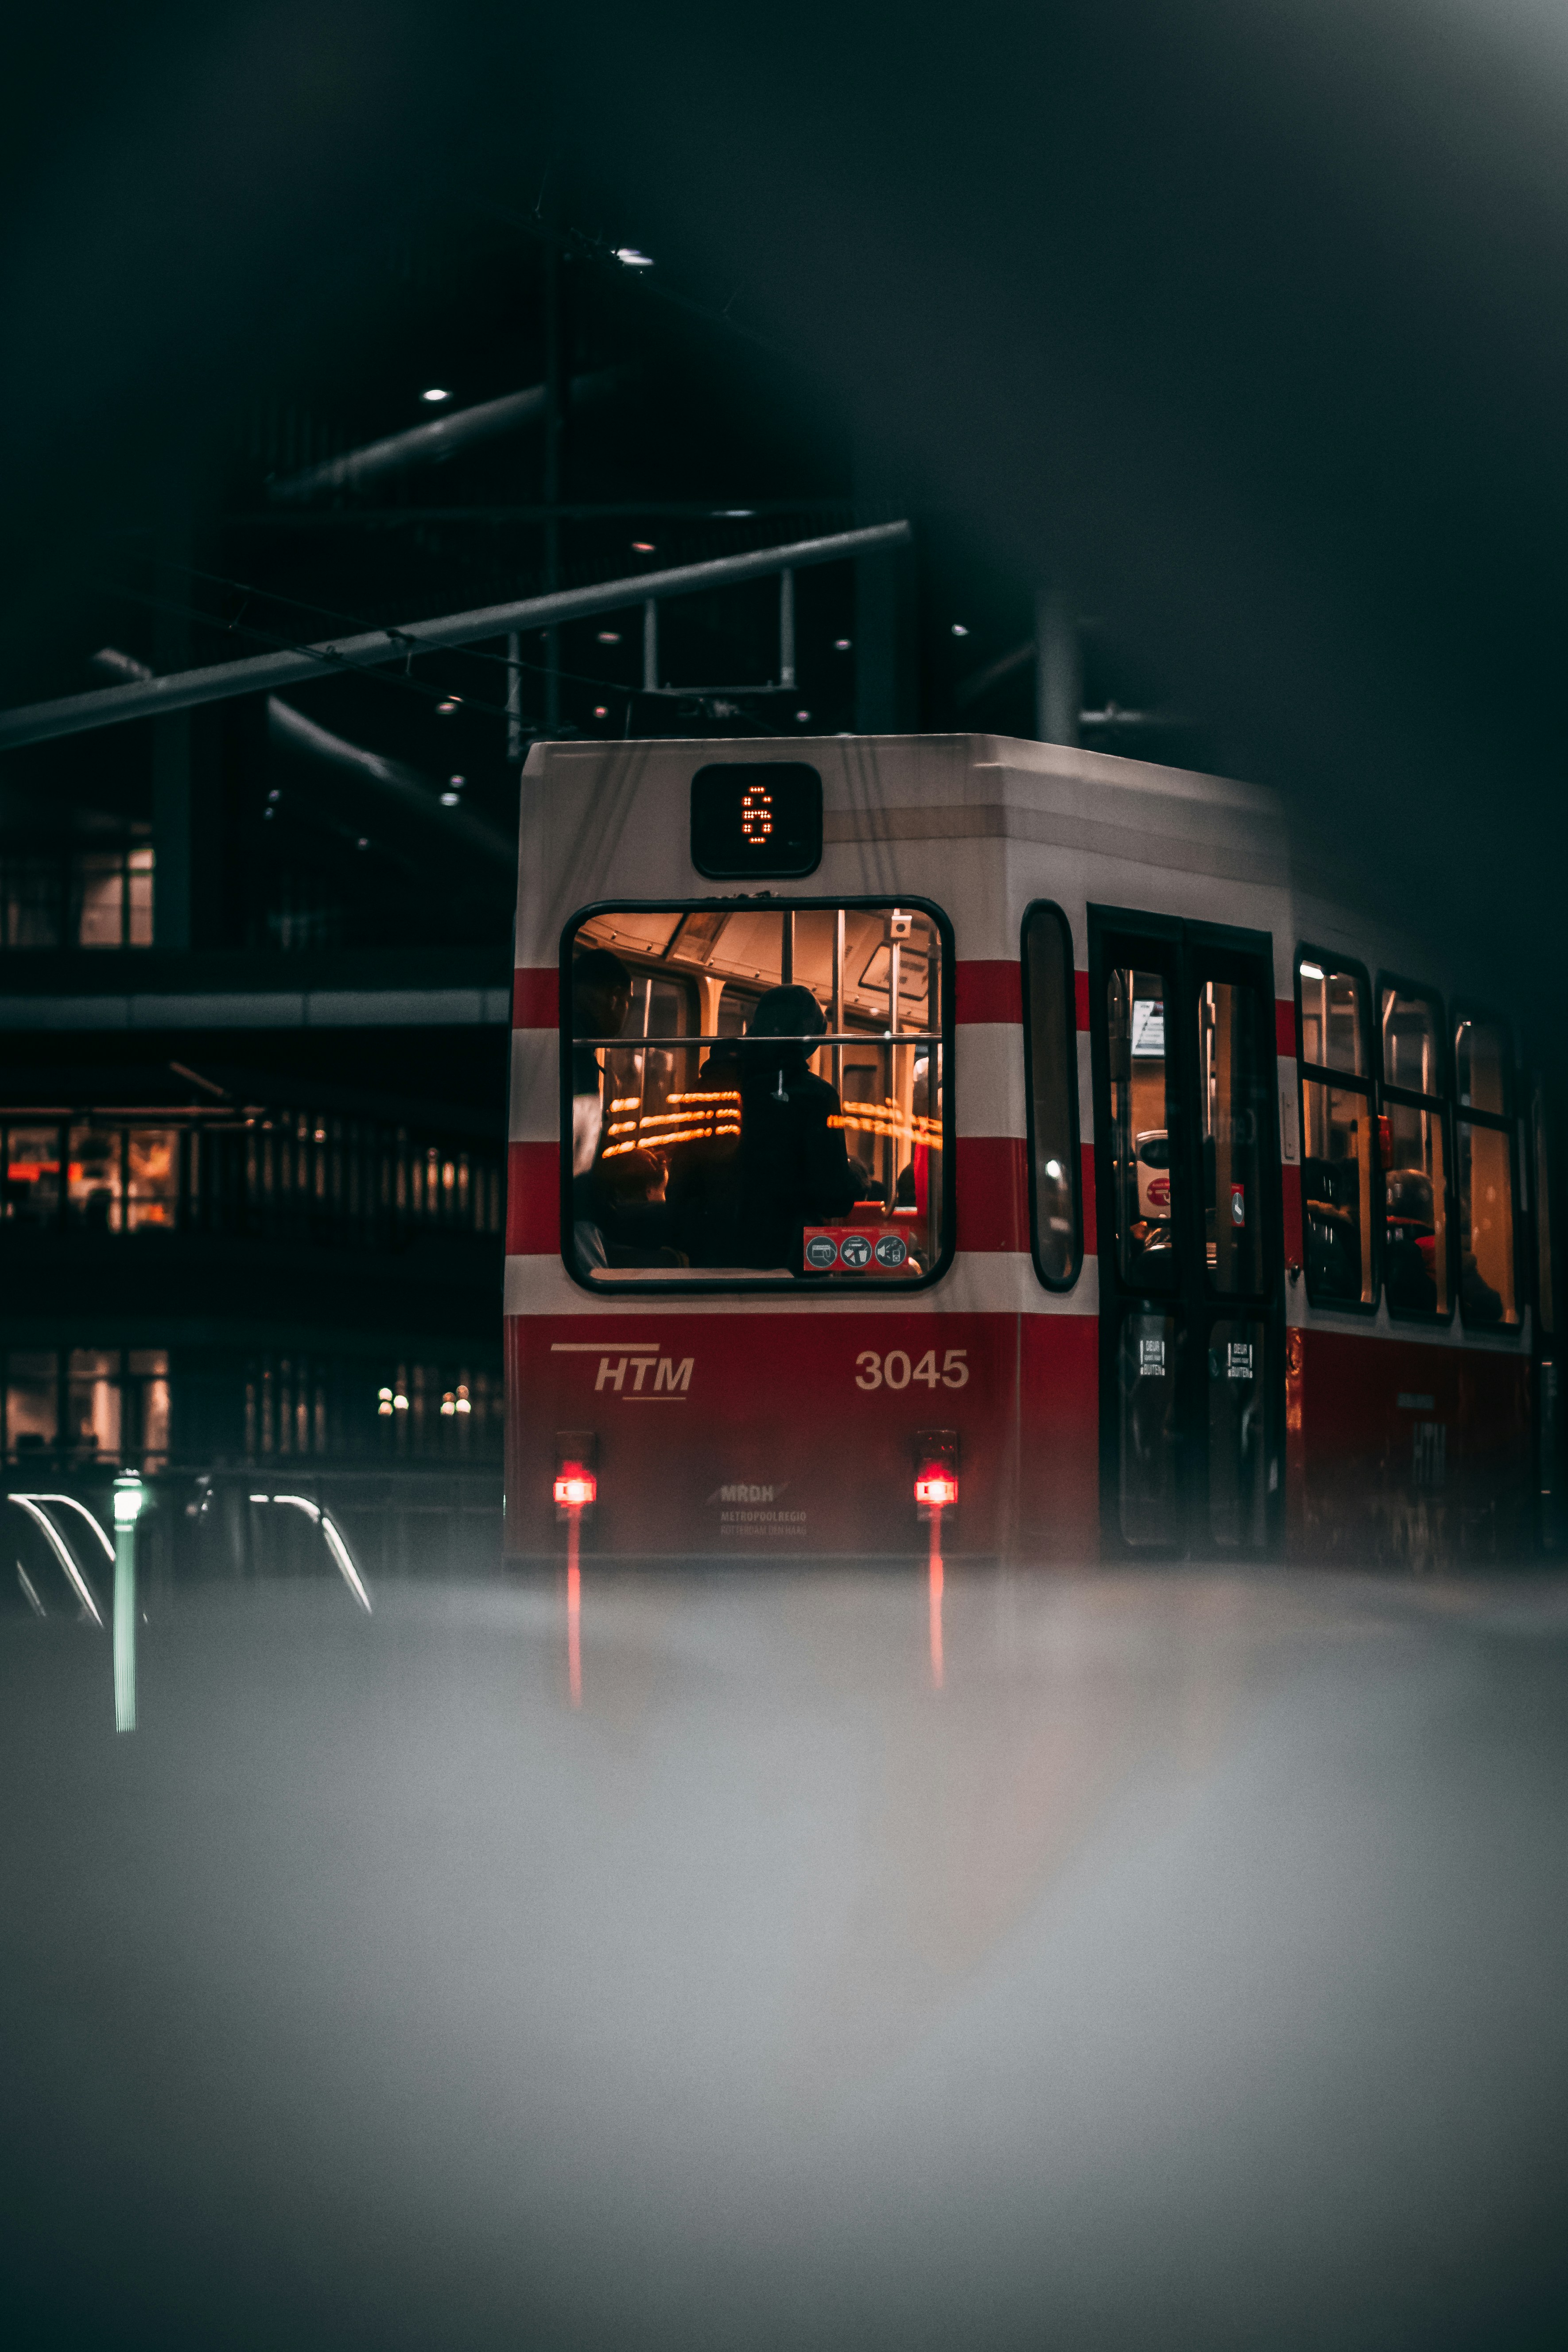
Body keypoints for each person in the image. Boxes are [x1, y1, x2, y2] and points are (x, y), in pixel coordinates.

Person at [670, 985, 855, 1270]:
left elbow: (682, 1182)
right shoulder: (815, 1097)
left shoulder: (708, 1088)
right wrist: (851, 1181)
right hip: (786, 1257)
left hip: (710, 1254)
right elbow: (832, 1196)